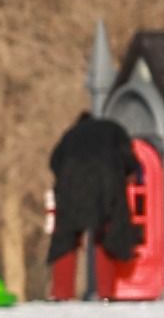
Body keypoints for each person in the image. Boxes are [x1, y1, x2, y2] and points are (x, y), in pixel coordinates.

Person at [47, 109, 143, 299]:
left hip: (71, 186)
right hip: (106, 186)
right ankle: (106, 293)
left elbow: (54, 162)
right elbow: (130, 160)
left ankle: (61, 294)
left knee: (66, 241)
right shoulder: (113, 130)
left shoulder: (71, 134)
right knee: (106, 237)